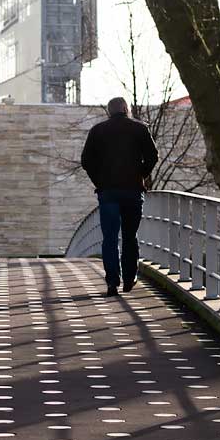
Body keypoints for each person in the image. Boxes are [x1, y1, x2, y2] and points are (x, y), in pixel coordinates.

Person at [81, 97, 158, 296]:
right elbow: (153, 155)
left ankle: (112, 282)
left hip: (108, 192)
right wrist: (141, 173)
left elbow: (86, 160)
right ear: (126, 109)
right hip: (132, 190)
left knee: (109, 238)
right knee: (130, 236)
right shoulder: (139, 129)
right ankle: (130, 278)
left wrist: (99, 181)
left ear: (109, 111)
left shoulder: (98, 131)